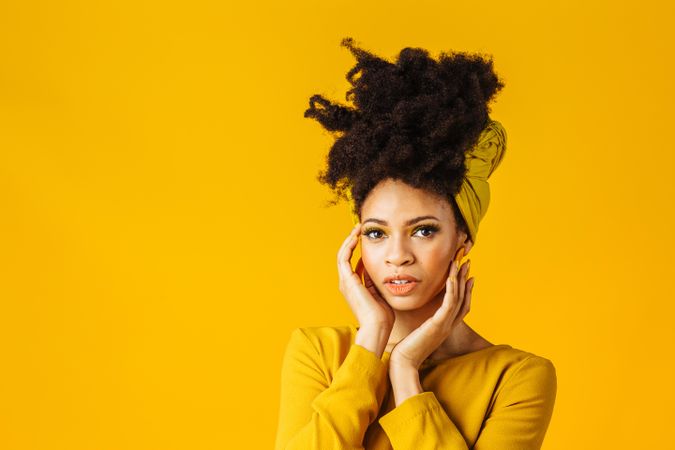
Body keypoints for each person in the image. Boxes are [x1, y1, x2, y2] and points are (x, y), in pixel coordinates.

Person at [274, 37, 557, 450]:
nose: (397, 255)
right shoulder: (319, 352)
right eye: (376, 232)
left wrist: (405, 370)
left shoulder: (516, 377)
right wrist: (371, 341)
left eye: (423, 230)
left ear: (463, 236)